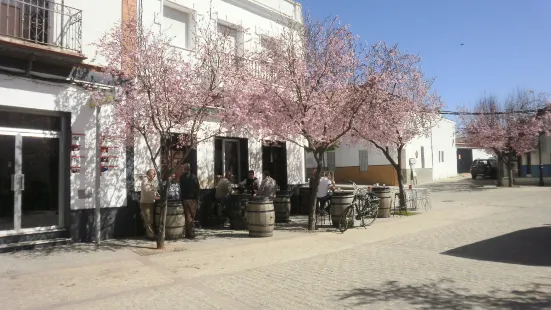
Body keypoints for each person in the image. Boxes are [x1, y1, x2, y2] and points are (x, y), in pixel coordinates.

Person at [179, 163, 200, 239]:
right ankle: (191, 232)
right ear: (189, 169)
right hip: (193, 198)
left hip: (185, 198)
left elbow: (180, 187)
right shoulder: (194, 177)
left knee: (188, 216)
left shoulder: (181, 178)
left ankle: (188, 232)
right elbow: (197, 187)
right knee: (192, 216)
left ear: (184, 169)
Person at [140, 169, 159, 239]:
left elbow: (154, 190)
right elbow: (147, 189)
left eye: (155, 174)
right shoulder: (145, 179)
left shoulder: (151, 180)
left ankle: (150, 234)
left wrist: (157, 195)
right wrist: (155, 196)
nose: (154, 175)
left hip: (150, 202)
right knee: (148, 220)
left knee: (150, 220)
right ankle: (151, 235)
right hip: (146, 203)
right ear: (148, 173)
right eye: (153, 173)